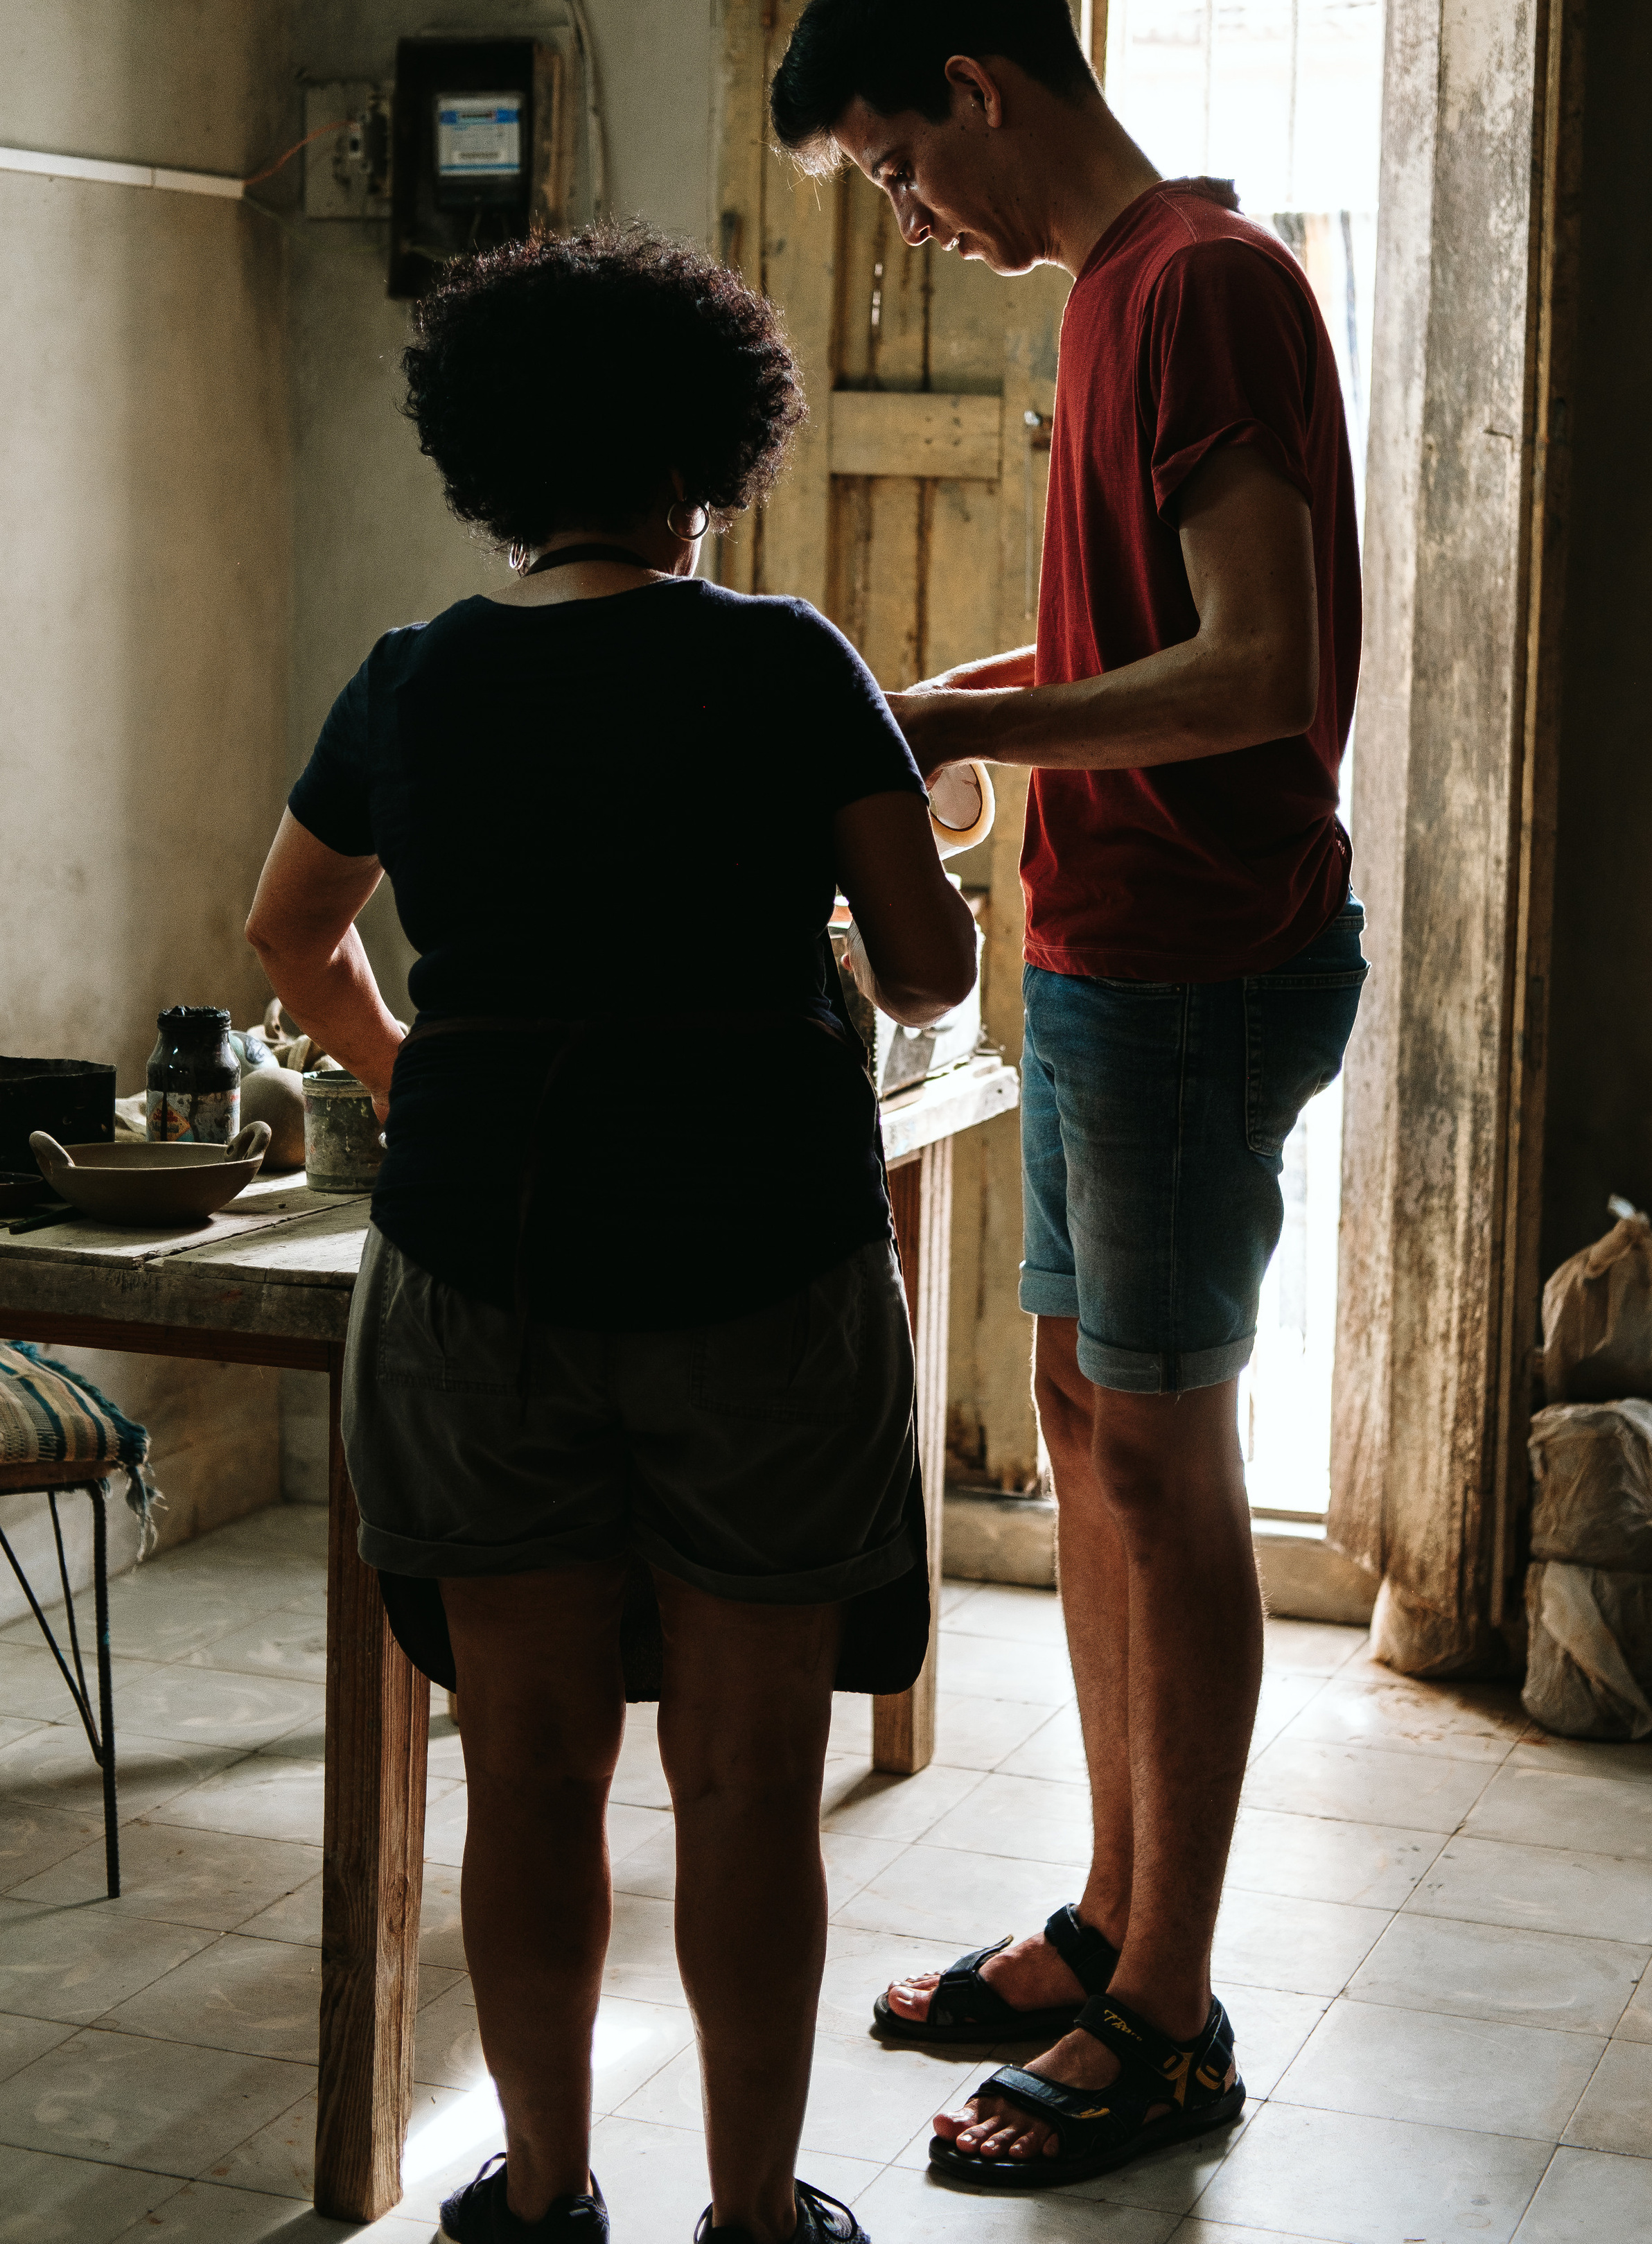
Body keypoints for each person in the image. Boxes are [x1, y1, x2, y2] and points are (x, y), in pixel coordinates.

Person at [243, 225, 977, 2244]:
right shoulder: (783, 659)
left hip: (481, 1280)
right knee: (746, 1784)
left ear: (491, 459)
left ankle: (547, 2195)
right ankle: (753, 2222)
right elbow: (923, 973)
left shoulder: (414, 680)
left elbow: (289, 937)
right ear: (706, 453)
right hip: (759, 1271)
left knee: (531, 1774)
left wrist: (425, 1082)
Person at [768, 0, 1367, 2194]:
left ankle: (1173, 2016)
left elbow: (1259, 671)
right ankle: (1116, 1914)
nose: (913, 221)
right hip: (1113, 942)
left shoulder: (1204, 283)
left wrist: (956, 724)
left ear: (974, 84)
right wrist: (965, 687)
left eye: (900, 166)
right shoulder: (1123, 299)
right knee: (1083, 1429)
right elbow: (1146, 631)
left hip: (1200, 956)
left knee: (1162, 1466)